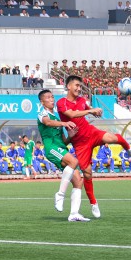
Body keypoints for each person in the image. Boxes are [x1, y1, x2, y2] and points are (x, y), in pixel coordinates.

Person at [57, 75, 131, 218]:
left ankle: (128, 148)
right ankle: (93, 203)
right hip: (79, 143)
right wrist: (90, 111)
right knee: (87, 173)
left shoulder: (81, 101)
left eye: (80, 86)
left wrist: (96, 111)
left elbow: (88, 108)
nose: (79, 88)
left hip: (90, 132)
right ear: (68, 86)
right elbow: (72, 114)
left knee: (112, 138)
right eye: (76, 86)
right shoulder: (62, 103)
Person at [37, 89, 89, 221]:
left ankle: (74, 214)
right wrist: (65, 123)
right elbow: (47, 123)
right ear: (42, 102)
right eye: (48, 97)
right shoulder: (42, 114)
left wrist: (70, 136)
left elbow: (63, 140)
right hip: (52, 148)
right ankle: (60, 195)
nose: (52, 99)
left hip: (61, 148)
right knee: (74, 162)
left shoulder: (57, 117)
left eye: (52, 96)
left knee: (78, 181)